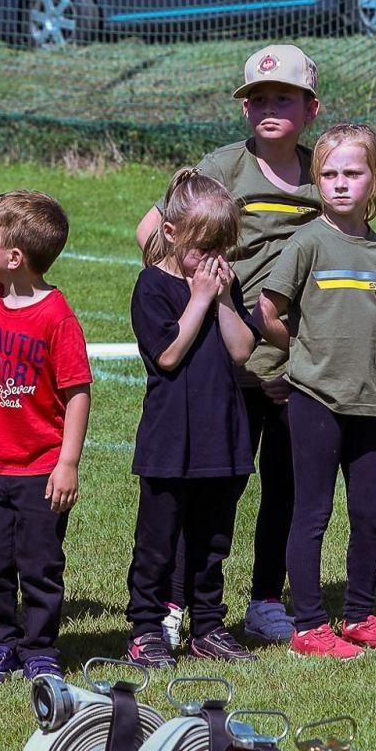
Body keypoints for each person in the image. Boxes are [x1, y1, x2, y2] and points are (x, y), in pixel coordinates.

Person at [133, 44, 324, 647]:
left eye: (283, 98)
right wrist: (189, 287)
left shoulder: (324, 171)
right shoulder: (223, 165)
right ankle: (173, 606)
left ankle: (266, 598)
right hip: (226, 366)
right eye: (257, 99)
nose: (269, 108)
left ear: (310, 108)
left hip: (297, 361)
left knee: (286, 488)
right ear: (244, 109)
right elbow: (154, 229)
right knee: (210, 494)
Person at [258, 123, 376, 660]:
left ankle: (360, 615)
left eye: (352, 173)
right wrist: (302, 351)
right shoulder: (306, 242)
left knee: (370, 514)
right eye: (329, 174)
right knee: (313, 514)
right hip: (315, 401)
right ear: (316, 181)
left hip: (370, 401)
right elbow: (267, 311)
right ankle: (307, 625)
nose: (340, 183)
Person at [0, 191, 91, 683]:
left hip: (39, 471)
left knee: (40, 564)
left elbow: (77, 393)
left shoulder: (57, 317)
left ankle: (40, 648)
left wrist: (67, 463)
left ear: (13, 258)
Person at [121, 169, 260, 669]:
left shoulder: (222, 285)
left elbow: (241, 350)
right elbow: (168, 355)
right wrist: (199, 298)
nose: (213, 258)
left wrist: (221, 298)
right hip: (170, 438)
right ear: (171, 232)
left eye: (221, 247)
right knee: (157, 543)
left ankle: (208, 626)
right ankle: (145, 628)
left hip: (222, 433)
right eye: (203, 247)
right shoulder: (152, 286)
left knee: (213, 541)